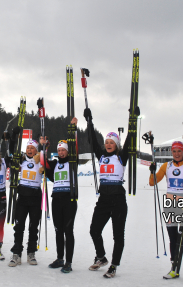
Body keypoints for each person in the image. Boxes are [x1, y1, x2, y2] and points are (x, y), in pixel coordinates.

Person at [84, 107, 131, 278]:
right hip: (104, 199)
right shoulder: (101, 155)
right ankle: (101, 257)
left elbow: (130, 140)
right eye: (107, 142)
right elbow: (92, 140)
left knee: (118, 235)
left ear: (117, 144)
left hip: (118, 199)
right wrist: (89, 122)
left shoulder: (122, 156)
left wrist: (132, 118)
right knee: (94, 230)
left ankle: (114, 265)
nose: (108, 144)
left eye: (112, 142)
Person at [149, 141, 183, 282]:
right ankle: (174, 268)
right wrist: (152, 171)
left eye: (179, 151)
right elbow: (152, 182)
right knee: (173, 237)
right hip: (170, 205)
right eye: (174, 151)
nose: (177, 154)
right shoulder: (167, 166)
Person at [40, 117, 79, 274]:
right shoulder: (55, 164)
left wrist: (73, 130)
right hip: (56, 199)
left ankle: (68, 261)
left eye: (64, 150)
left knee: (68, 230)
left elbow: (75, 147)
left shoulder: (73, 161)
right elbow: (44, 161)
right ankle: (60, 258)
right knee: (58, 230)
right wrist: (44, 146)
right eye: (60, 150)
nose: (62, 152)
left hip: (69, 199)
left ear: (68, 151)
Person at [9, 138, 43, 267]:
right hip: (22, 197)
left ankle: (31, 252)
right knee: (19, 227)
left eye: (32, 148)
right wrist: (14, 136)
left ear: (36, 150)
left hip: (35, 197)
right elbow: (12, 152)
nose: (29, 150)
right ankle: (16, 253)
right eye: (28, 148)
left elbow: (47, 160)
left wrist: (45, 146)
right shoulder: (21, 160)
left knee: (33, 227)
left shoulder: (39, 160)